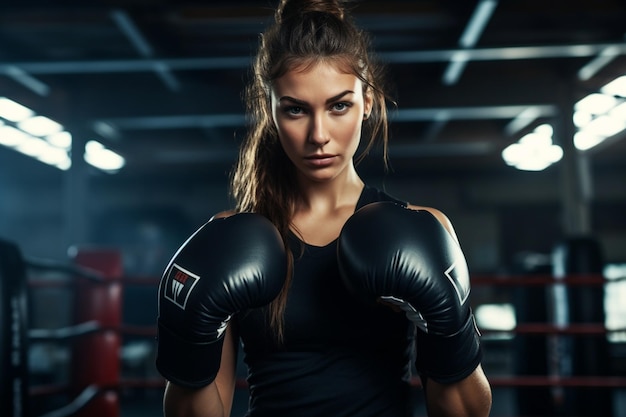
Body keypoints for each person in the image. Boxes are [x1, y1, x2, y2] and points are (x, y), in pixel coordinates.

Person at [156, 0, 492, 416]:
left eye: (339, 106)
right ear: (271, 110)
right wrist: (190, 336)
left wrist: (449, 326)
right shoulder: (231, 239)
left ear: (366, 101)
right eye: (296, 109)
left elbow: (465, 413)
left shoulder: (424, 228)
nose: (318, 135)